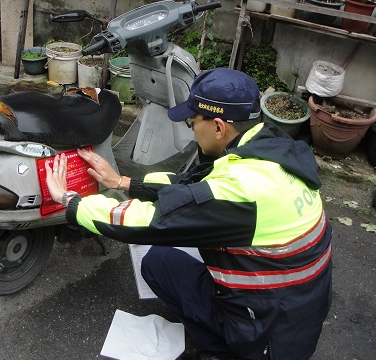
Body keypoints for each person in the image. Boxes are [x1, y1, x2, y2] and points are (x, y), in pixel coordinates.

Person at [45, 67, 332, 360]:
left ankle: (227, 352)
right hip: (293, 314)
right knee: (160, 262)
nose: (191, 128)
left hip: (268, 338)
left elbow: (150, 221)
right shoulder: (268, 146)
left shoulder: (243, 192)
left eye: (192, 121)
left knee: (159, 256)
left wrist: (71, 201)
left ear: (218, 127)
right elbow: (196, 185)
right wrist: (123, 182)